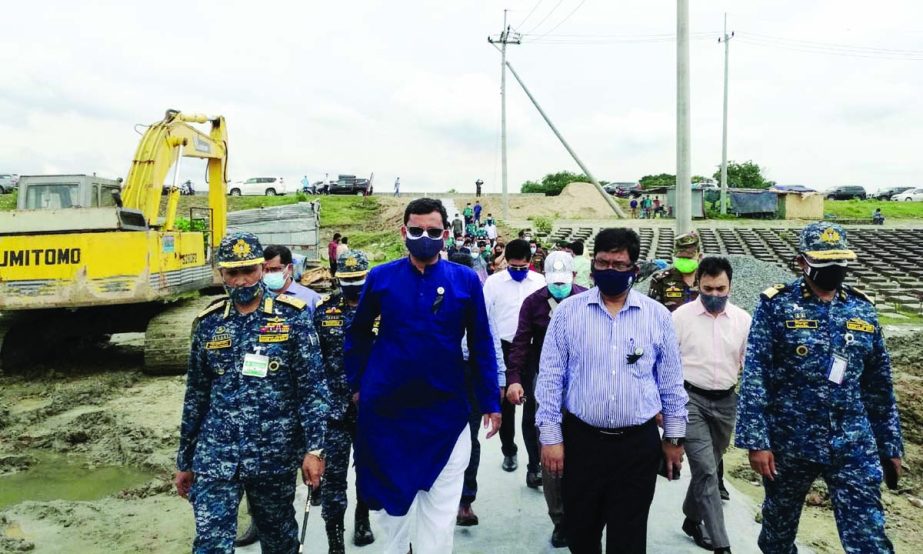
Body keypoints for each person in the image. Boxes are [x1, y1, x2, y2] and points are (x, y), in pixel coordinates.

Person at [344, 198, 501, 554]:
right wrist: (360, 384)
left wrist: (491, 401)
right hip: (387, 413)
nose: (424, 236)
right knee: (392, 516)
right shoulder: (382, 277)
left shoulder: (465, 281)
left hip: (444, 413)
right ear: (404, 232)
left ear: (445, 234)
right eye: (416, 230)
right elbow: (358, 334)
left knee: (439, 515)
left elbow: (481, 343)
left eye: (433, 231)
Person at [735, 222, 903, 553]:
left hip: (852, 441)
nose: (834, 270)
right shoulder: (776, 306)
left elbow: (879, 384)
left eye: (839, 263)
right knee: (777, 532)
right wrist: (757, 441)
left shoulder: (862, 308)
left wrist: (890, 444)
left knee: (869, 537)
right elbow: (756, 376)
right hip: (790, 440)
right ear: (802, 262)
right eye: (825, 263)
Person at [174, 232, 330, 553]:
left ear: (262, 268)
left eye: (249, 271)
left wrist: (315, 450)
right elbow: (196, 396)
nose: (242, 281)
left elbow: (312, 389)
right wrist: (185, 460)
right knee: (210, 544)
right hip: (216, 456)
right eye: (233, 273)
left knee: (279, 541)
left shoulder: (293, 318)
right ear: (221, 275)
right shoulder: (208, 323)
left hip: (273, 456)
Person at [535, 227, 687, 554]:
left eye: (619, 265)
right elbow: (549, 379)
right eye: (603, 263)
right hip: (582, 442)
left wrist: (673, 439)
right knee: (581, 532)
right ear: (593, 267)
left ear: (634, 269)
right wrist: (551, 438)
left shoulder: (657, 317)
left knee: (629, 538)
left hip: (637, 446)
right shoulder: (567, 314)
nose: (609, 271)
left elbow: (672, 384)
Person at [506, 251, 587, 548]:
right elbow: (520, 343)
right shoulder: (533, 303)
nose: (559, 287)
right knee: (551, 455)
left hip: (583, 386)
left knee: (584, 454)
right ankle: (561, 519)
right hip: (547, 384)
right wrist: (514, 378)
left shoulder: (587, 299)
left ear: (574, 277)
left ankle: (584, 514)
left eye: (564, 282)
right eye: (554, 283)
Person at [672, 256, 751, 553]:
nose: (714, 295)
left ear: (730, 286)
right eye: (708, 288)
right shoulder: (680, 318)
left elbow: (749, 365)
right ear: (697, 285)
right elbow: (666, 365)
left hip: (726, 402)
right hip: (690, 399)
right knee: (706, 471)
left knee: (711, 463)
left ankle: (691, 518)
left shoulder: (743, 320)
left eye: (721, 289)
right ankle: (721, 544)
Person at [315, 250, 375, 552]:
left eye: (358, 280)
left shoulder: (384, 310)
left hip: (371, 410)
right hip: (333, 411)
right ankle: (334, 540)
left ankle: (362, 519)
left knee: (366, 471)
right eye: (346, 280)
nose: (352, 285)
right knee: (333, 480)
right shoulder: (324, 310)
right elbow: (313, 360)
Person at [448, 251, 508, 528]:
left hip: (469, 372)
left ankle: (465, 500)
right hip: (438, 373)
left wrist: (496, 380)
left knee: (469, 437)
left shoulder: (477, 295)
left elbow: (488, 339)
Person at [482, 239, 546, 473]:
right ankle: (509, 450)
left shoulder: (540, 282)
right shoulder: (493, 283)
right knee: (505, 407)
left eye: (522, 268)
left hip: (531, 351)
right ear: (505, 262)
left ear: (529, 263)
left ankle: (534, 464)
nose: (518, 271)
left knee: (532, 409)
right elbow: (483, 317)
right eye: (513, 267)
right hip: (504, 349)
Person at [649, 230, 702, 312]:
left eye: (689, 258)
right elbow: (652, 312)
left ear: (699, 256)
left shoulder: (707, 279)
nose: (685, 261)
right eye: (681, 258)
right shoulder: (661, 280)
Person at [263, 244, 322, 313]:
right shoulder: (257, 298)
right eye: (265, 270)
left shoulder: (311, 298)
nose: (269, 274)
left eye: (275, 269)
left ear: (289, 268)